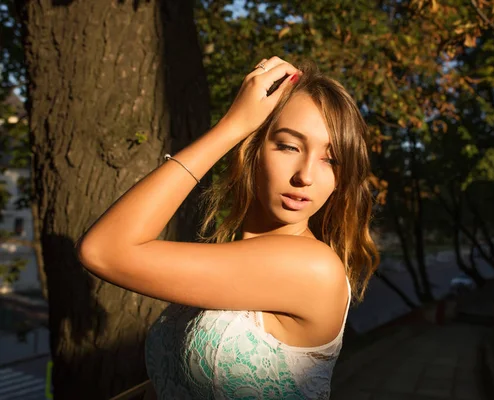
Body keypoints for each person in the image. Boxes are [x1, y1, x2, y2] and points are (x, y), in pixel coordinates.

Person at [77, 56, 379, 399]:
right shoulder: (233, 260)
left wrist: (229, 127)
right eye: (289, 146)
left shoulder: (312, 266)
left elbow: (103, 251)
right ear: (252, 150)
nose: (305, 176)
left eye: (331, 159)